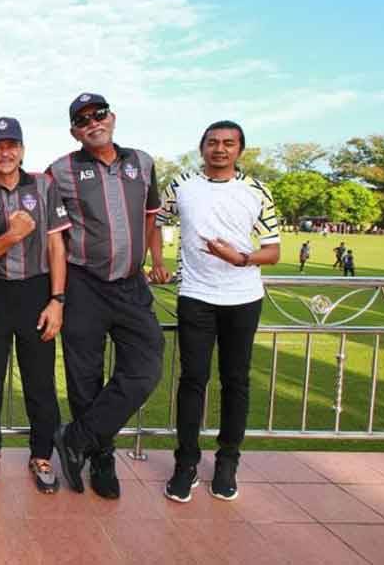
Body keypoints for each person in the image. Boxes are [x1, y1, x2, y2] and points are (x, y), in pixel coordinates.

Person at [46, 92, 165, 499]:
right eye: (82, 120)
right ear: (73, 131)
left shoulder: (143, 163)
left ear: (111, 117)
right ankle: (102, 458)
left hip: (131, 285)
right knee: (84, 379)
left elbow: (152, 218)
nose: (92, 123)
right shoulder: (59, 171)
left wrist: (157, 259)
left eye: (98, 115)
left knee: (146, 368)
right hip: (84, 284)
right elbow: (50, 234)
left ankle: (77, 438)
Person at [156, 121, 281, 503]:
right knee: (193, 380)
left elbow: (273, 251)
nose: (220, 149)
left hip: (243, 298)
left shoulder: (256, 191)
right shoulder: (181, 187)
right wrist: (157, 261)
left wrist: (239, 258)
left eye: (229, 143)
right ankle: (186, 464)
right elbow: (155, 220)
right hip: (196, 295)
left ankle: (227, 463)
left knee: (236, 381)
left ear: (240, 150)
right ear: (202, 148)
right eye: (213, 143)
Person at [0, 117, 70, 494]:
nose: (5, 152)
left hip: (36, 292)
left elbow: (57, 246)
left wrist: (57, 300)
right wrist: (12, 236)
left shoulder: (44, 186)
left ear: (23, 150)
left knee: (40, 381)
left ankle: (41, 453)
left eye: (11, 145)